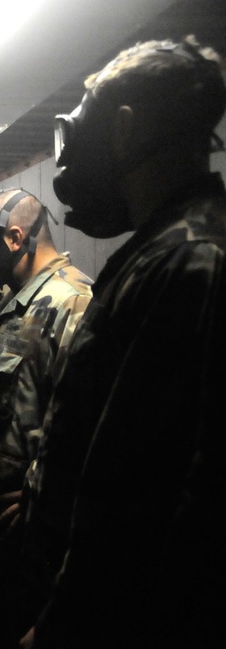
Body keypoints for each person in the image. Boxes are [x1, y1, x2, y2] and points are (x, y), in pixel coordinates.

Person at [22, 36, 226, 649]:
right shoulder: (165, 250)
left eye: (77, 131)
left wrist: (68, 624)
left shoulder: (190, 263)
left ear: (125, 131)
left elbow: (140, 491)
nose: (67, 158)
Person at [0, 188, 93, 649]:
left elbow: (89, 428)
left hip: (25, 534)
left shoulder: (72, 304)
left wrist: (42, 493)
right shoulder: (12, 300)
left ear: (14, 238)